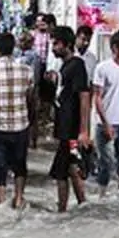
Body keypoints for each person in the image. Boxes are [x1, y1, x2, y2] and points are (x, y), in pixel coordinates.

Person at [0, 32, 35, 208]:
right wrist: (33, 125)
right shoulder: (27, 71)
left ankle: (1, 201)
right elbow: (31, 100)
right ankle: (19, 198)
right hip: (21, 125)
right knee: (20, 164)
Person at [49, 27, 91, 212]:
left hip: (72, 131)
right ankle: (81, 205)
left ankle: (63, 209)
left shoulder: (77, 65)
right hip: (66, 129)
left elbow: (84, 96)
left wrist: (83, 130)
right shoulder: (66, 66)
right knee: (72, 167)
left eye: (56, 44)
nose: (53, 48)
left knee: (61, 170)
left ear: (67, 44)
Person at [92, 31, 119, 196]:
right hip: (106, 122)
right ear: (115, 48)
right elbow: (97, 98)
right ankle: (101, 193)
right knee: (106, 161)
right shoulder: (103, 68)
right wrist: (105, 123)